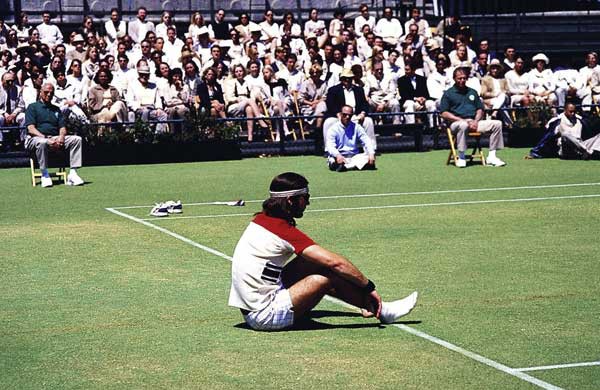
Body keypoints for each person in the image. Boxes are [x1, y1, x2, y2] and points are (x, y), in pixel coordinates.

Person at [228, 171, 418, 331]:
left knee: (312, 262)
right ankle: (383, 310)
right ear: (290, 201)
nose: (308, 203)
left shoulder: (262, 220)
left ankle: (367, 305)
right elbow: (336, 263)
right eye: (305, 198)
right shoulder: (282, 231)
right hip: (263, 316)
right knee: (325, 278)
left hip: (253, 304)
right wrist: (369, 287)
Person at [440, 67, 506, 168]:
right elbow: (444, 113)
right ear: (454, 79)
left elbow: (480, 109)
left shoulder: (472, 92)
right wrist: (462, 120)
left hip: (474, 122)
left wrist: (475, 121)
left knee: (497, 124)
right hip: (456, 123)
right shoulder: (448, 93)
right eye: (459, 78)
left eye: (464, 78)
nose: (462, 80)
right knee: (463, 125)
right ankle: (461, 157)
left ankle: (492, 156)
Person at [24, 83, 84, 187]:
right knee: (42, 142)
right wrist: (46, 138)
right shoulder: (32, 107)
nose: (49, 95)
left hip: (54, 137)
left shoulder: (56, 109)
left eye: (51, 93)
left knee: (76, 139)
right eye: (46, 92)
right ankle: (44, 174)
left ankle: (73, 174)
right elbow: (31, 129)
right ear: (41, 93)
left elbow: (62, 127)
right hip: (36, 138)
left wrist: (61, 137)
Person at [527, 102, 600, 159]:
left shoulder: (579, 120)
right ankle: (588, 152)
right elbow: (546, 138)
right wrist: (534, 153)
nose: (573, 113)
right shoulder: (558, 121)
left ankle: (591, 152)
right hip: (566, 149)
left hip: (581, 145)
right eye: (570, 111)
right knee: (565, 134)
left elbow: (589, 130)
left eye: (574, 111)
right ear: (565, 110)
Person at [325, 105, 376, 172]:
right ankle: (353, 166)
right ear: (340, 114)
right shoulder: (333, 129)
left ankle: (345, 167)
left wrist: (371, 154)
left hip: (354, 156)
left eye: (350, 115)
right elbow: (330, 146)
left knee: (368, 157)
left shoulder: (357, 127)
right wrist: (338, 155)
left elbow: (366, 140)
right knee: (332, 160)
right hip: (339, 156)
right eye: (345, 115)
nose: (347, 117)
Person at [0, 72, 26, 145]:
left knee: (23, 117)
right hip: (2, 113)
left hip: (14, 113)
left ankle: (23, 140)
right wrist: (4, 113)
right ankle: (0, 141)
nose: (11, 83)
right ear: (2, 81)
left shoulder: (17, 89)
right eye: (8, 81)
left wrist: (14, 114)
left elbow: (21, 106)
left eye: (12, 80)